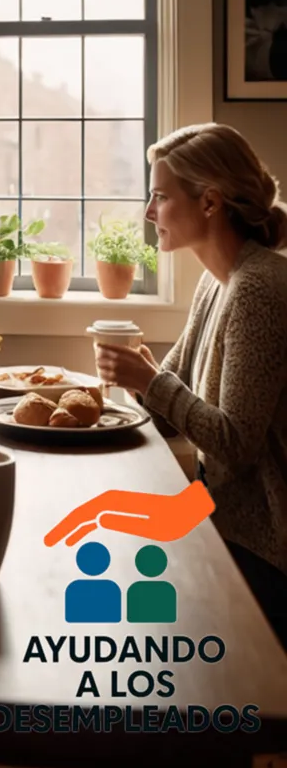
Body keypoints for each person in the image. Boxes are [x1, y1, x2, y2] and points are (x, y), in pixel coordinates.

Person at [94, 123, 287, 649]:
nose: (148, 212)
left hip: (266, 547)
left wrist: (149, 379)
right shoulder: (216, 280)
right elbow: (167, 406)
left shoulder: (259, 289)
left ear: (210, 202)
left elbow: (235, 445)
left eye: (159, 196)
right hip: (223, 523)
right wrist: (138, 379)